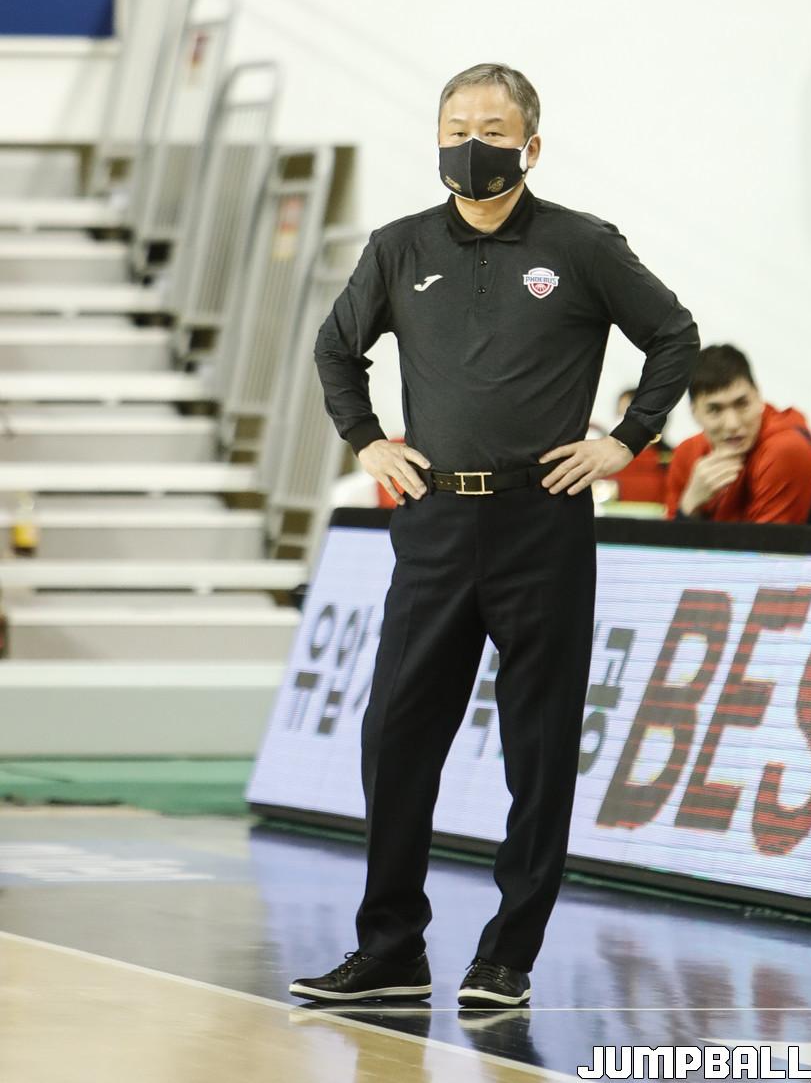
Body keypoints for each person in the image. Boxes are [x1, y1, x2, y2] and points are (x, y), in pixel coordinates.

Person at [293, 62, 699, 1009]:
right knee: (395, 735)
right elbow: (335, 348)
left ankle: (507, 957)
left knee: (540, 747)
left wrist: (626, 441)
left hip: (541, 522)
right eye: (455, 128)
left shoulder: (583, 245)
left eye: (491, 129)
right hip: (433, 521)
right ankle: (391, 949)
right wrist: (366, 440)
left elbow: (674, 336)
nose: (470, 145)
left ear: (531, 145)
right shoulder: (398, 247)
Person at [666, 344, 811, 524]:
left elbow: (765, 542)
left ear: (758, 397)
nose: (733, 424)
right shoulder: (686, 453)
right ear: (694, 413)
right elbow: (667, 541)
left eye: (742, 404)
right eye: (715, 410)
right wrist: (689, 505)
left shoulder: (785, 450)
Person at [608, 386, 672, 505]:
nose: (621, 424)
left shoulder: (670, 459)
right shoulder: (606, 458)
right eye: (619, 415)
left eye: (627, 417)